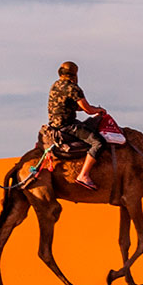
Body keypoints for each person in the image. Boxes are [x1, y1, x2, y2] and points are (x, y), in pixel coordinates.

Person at [48, 61, 106, 192]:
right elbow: (88, 110)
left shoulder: (56, 85)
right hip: (67, 126)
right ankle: (83, 175)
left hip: (54, 125)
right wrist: (99, 110)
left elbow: (73, 106)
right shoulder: (73, 88)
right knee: (98, 142)